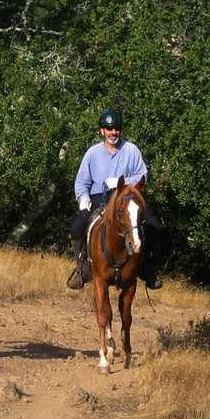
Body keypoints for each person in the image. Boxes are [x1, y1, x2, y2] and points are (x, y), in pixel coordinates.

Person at [67, 108, 163, 290]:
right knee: (77, 227)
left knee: (154, 226)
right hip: (99, 198)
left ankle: (149, 269)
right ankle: (81, 268)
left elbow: (143, 175)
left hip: (126, 197)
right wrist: (83, 198)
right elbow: (81, 182)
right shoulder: (92, 153)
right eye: (109, 129)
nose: (113, 132)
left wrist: (123, 181)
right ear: (102, 131)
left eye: (116, 128)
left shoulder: (131, 150)